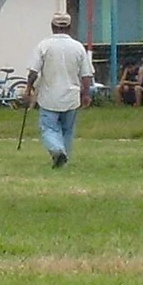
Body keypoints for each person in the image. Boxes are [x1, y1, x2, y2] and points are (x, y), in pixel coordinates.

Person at [25, 12, 95, 169]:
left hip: (49, 96)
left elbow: (33, 72)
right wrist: (86, 94)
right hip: (71, 97)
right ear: (69, 27)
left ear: (52, 27)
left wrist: (28, 89)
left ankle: (57, 151)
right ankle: (63, 159)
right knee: (67, 131)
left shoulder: (44, 46)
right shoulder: (78, 47)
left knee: (48, 128)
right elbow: (86, 75)